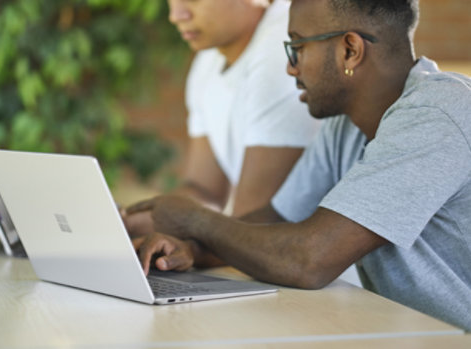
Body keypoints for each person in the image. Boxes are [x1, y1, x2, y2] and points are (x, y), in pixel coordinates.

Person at [126, 0, 471, 331]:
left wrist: (195, 220)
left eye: (298, 47)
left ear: (350, 50)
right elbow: (274, 218)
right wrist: (193, 249)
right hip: (409, 334)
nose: (291, 68)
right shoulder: (345, 125)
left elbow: (309, 260)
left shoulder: (437, 115)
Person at [124, 0, 320, 236]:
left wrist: (187, 250)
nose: (176, 15)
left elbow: (253, 228)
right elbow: (204, 192)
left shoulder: (283, 46)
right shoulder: (209, 60)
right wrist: (124, 221)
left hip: (322, 267)